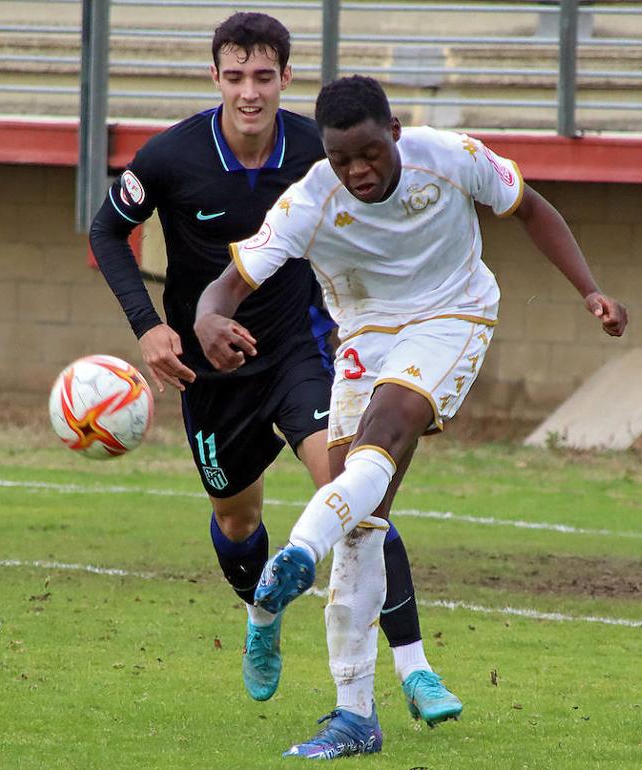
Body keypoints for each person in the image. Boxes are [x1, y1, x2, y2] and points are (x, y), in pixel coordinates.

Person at [195, 75, 628, 759]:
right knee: (361, 524)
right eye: (342, 159)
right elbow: (228, 285)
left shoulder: (451, 156)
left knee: (388, 431)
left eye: (369, 153)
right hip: (365, 334)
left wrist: (590, 290)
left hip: (454, 314)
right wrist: (208, 318)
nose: (357, 171)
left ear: (395, 132)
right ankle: (354, 716)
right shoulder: (311, 199)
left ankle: (295, 557)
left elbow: (531, 208)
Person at [89, 13, 460, 720]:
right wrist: (148, 327)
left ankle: (415, 669)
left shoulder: (319, 154)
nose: (250, 92)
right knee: (237, 522)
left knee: (356, 496)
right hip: (208, 372)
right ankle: (261, 616)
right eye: (235, 77)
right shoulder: (170, 157)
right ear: (215, 77)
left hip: (299, 351)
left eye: (264, 76)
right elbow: (107, 229)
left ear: (287, 77)